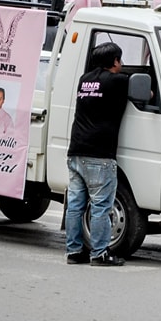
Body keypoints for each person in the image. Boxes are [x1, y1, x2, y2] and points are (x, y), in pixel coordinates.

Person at [64, 42, 131, 266]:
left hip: (76, 151)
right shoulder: (118, 81)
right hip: (99, 154)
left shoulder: (85, 80)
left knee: (75, 205)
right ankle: (100, 254)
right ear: (114, 61)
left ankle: (74, 252)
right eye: (120, 60)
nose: (121, 64)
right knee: (101, 206)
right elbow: (148, 93)